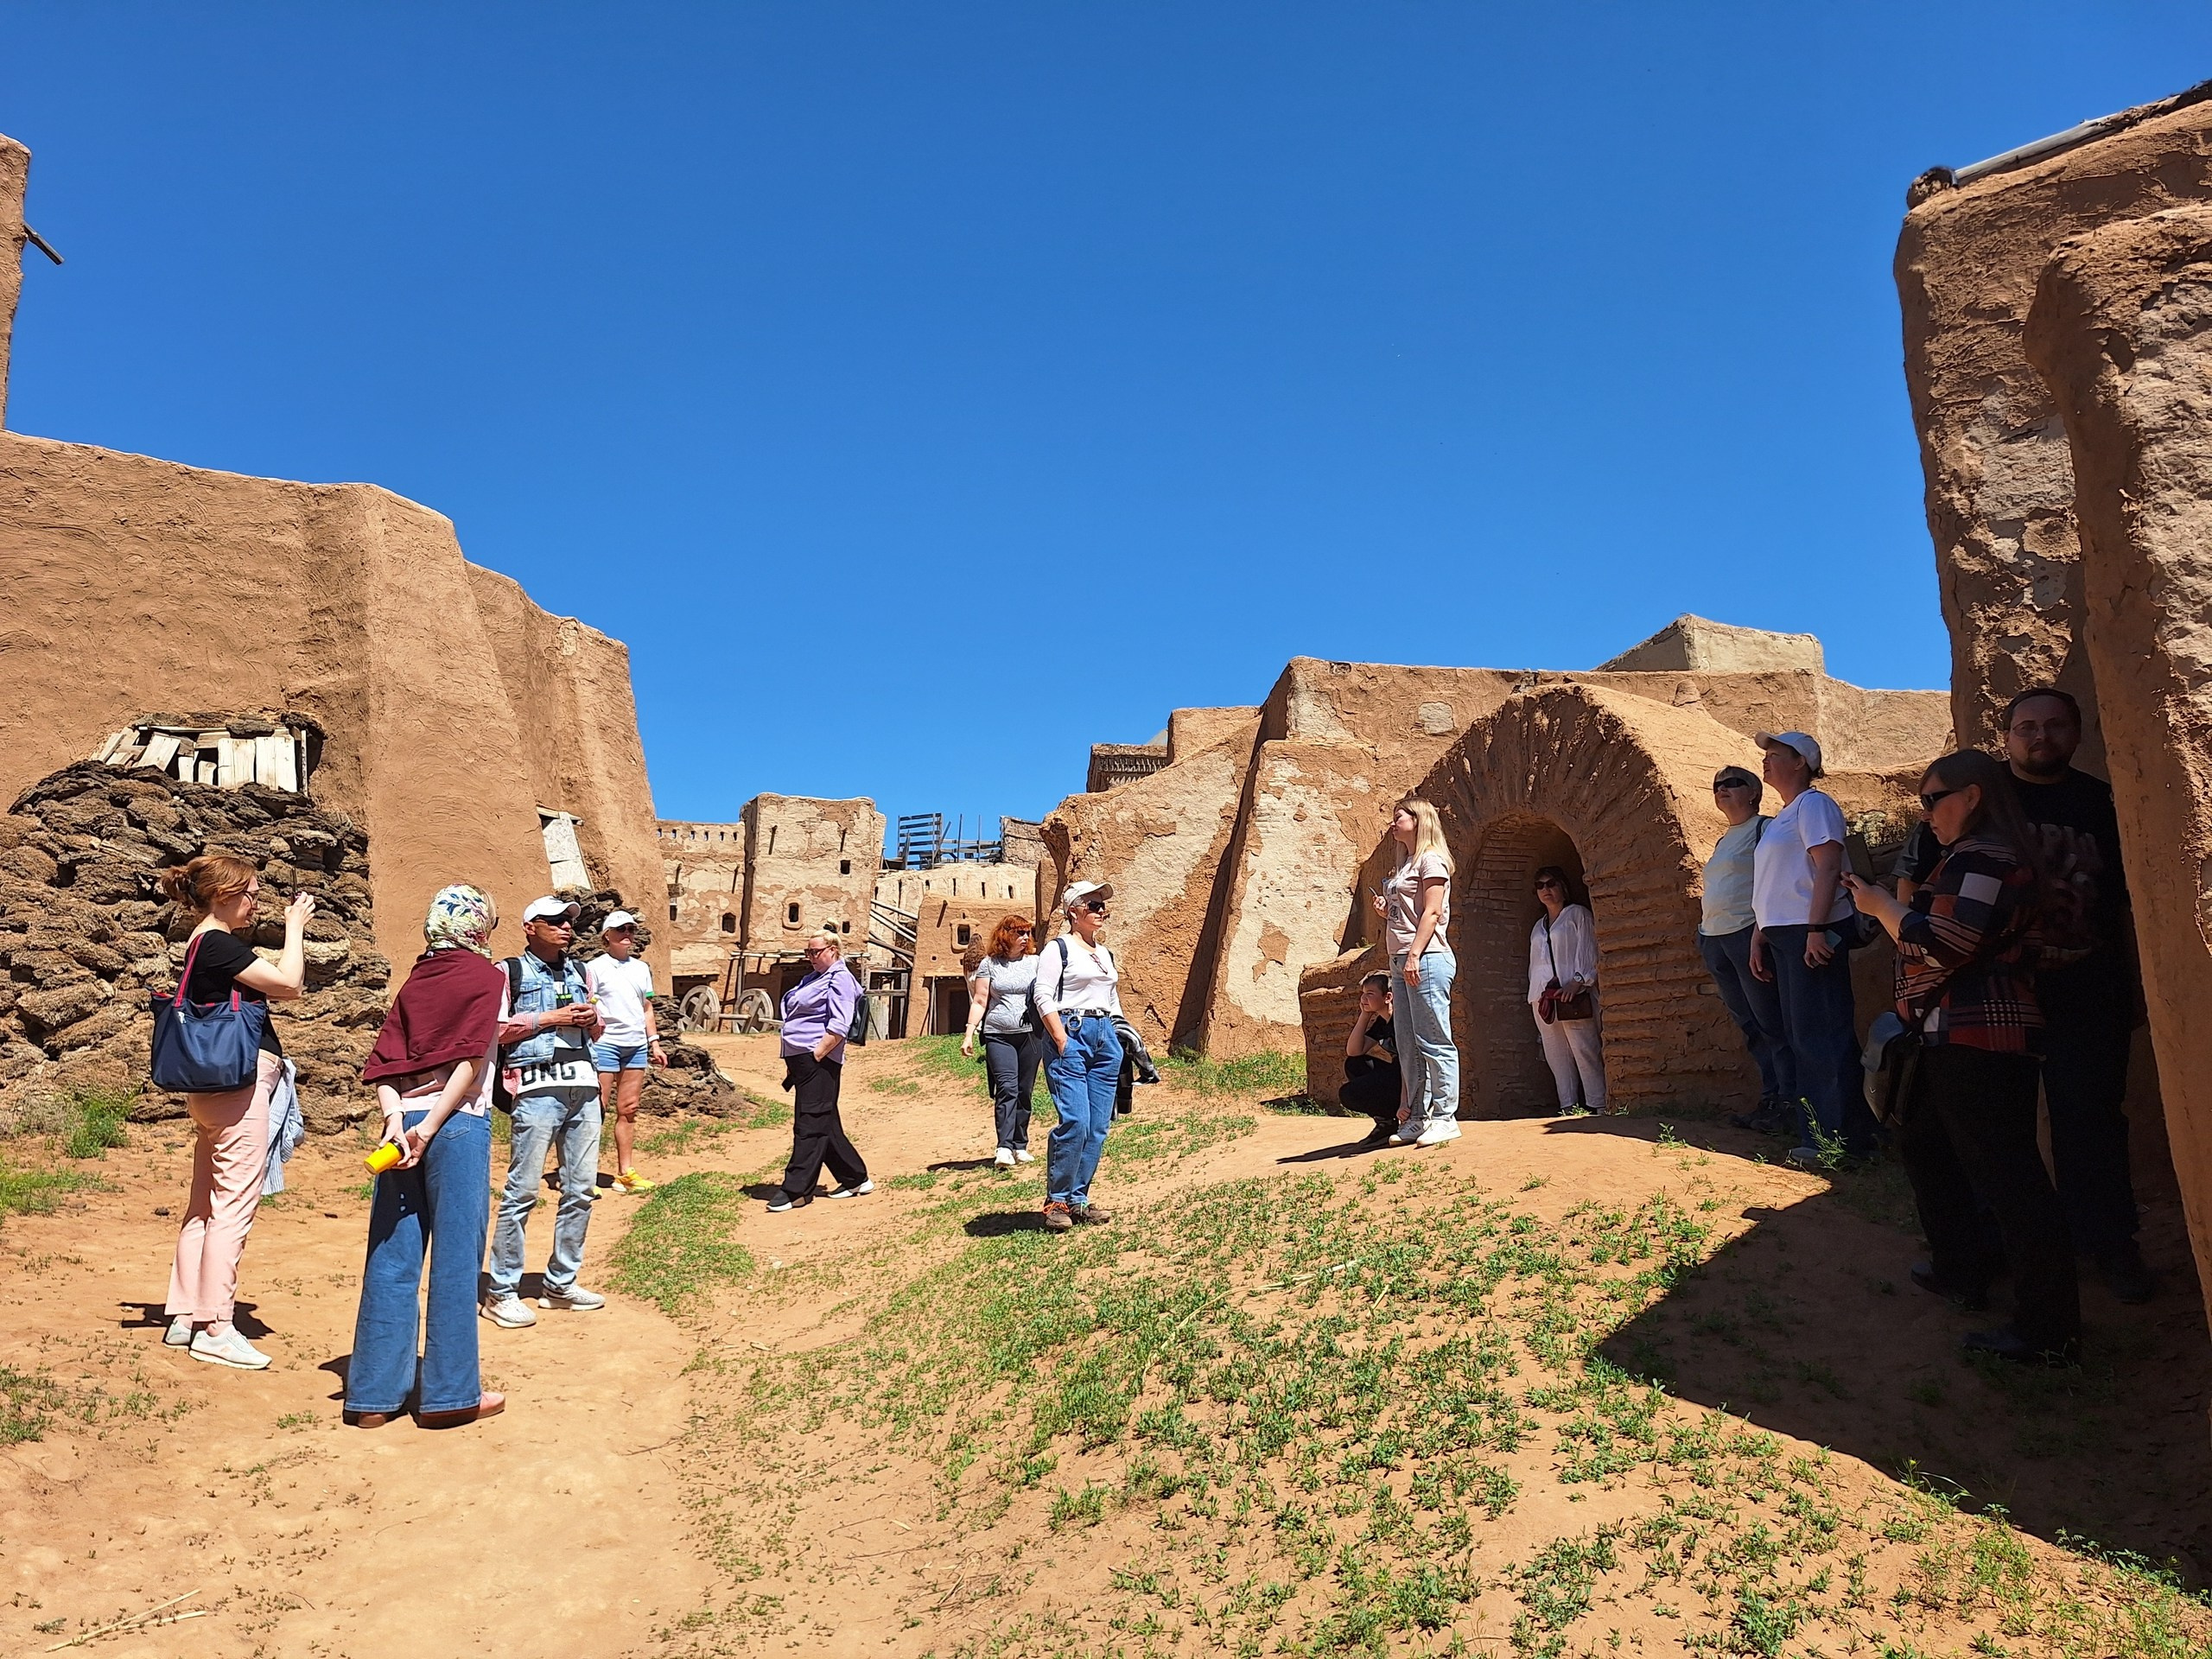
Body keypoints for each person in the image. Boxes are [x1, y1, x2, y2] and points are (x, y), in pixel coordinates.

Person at [1845, 750, 2079, 1363]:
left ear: (1972, 797)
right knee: (1927, 1146)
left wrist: (1879, 907)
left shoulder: (1986, 855)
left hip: (1982, 1034)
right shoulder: (1973, 855)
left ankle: (2048, 1330)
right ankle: (1961, 1269)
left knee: (2010, 1179)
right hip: (1953, 1032)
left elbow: (1941, 944)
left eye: (1932, 800)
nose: (1926, 816)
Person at [2000, 687, 2153, 1303]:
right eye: (2027, 727)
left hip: (2089, 986)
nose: (2041, 738)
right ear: (2006, 736)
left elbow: (2124, 903)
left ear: (2077, 733)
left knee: (2090, 1119)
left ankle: (2109, 1243)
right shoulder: (1985, 800)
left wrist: (2135, 988)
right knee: (2002, 1125)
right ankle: (2018, 1251)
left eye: (2055, 726)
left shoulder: (2100, 803)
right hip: (2001, 989)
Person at [346, 886, 508, 1428]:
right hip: (455, 1126)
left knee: (391, 1257)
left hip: (401, 1129)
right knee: (457, 1260)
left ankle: (372, 1396)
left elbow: (386, 1066)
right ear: (478, 926)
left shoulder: (415, 981)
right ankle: (451, 1396)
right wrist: (432, 1127)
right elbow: (470, 1064)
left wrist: (399, 1124)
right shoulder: (489, 978)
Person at [157, 852, 315, 1371]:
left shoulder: (200, 943)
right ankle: (216, 1326)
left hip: (210, 1088)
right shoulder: (218, 943)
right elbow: (290, 984)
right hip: (237, 1084)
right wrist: (295, 928)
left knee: (204, 1203)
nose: (255, 902)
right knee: (233, 1205)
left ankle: (185, 1314)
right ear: (224, 895)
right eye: (249, 892)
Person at [1749, 730, 1878, 1164]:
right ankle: (1830, 1137)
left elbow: (1827, 869)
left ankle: (1840, 1143)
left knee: (1823, 1036)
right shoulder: (1783, 816)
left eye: (1775, 755)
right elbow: (1776, 884)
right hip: (1786, 935)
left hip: (1812, 933)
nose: (1765, 761)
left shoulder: (1814, 805)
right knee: (1806, 1036)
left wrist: (1817, 928)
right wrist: (1760, 933)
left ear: (1800, 762)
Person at [482, 897, 607, 1328]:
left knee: (581, 1190)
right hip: (536, 1088)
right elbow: (495, 1030)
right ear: (530, 927)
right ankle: (501, 1290)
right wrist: (549, 1018)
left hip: (584, 1087)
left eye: (568, 922)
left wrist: (593, 1018)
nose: (566, 928)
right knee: (522, 1191)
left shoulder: (581, 970)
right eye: (554, 921)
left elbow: (597, 1030)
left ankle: (561, 1282)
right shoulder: (508, 972)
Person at [1699, 766, 1796, 1134]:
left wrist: (1760, 931)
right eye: (1717, 785)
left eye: (1731, 783)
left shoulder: (1765, 830)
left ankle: (1789, 1103)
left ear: (1754, 792)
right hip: (1716, 938)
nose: (1721, 789)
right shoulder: (1725, 839)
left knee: (1771, 1022)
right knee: (1750, 1024)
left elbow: (1776, 883)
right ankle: (1771, 1098)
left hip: (1747, 937)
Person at [1034, 881, 1123, 1231]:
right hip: (1070, 1033)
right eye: (1093, 905)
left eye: (1103, 906)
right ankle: (1056, 1200)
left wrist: (1122, 1035)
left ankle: (1078, 1200)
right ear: (1073, 911)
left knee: (1098, 1127)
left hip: (1105, 1038)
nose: (1101, 911)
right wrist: (1060, 1039)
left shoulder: (1105, 954)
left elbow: (1111, 999)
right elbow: (1043, 994)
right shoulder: (1059, 949)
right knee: (1076, 1122)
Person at [1372, 797, 1460, 1147]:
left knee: (1434, 1039)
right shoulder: (1406, 863)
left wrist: (1414, 955)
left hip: (1426, 958)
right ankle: (1418, 1119)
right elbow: (1409, 911)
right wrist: (1385, 909)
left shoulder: (1432, 860)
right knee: (1408, 1043)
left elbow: (1433, 912)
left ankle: (1446, 1116)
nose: (1393, 824)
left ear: (1419, 820)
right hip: (1401, 960)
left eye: (1399, 818)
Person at [767, 932, 872, 1211]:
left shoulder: (840, 978)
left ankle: (796, 1190)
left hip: (820, 1059)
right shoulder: (814, 977)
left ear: (833, 950)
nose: (810, 957)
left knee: (809, 1123)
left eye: (815, 952)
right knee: (824, 1121)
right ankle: (855, 1178)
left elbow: (840, 1023)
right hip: (803, 1057)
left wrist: (816, 1055)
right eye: (808, 952)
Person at [587, 909, 667, 1195]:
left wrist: (654, 1042)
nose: (627, 935)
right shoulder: (594, 968)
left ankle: (625, 1173)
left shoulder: (641, 969)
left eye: (631, 929)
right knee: (597, 1109)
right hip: (606, 1044)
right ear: (607, 935)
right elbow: (590, 1004)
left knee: (629, 1109)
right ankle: (584, 1176)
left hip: (635, 1046)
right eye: (621, 930)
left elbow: (646, 1008)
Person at [961, 913, 1042, 1169]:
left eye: (1027, 933)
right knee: (1007, 1088)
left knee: (1024, 1091)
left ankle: (1020, 1145)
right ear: (1005, 935)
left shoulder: (1036, 963)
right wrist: (969, 1032)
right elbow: (981, 999)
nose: (1025, 937)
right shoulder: (990, 964)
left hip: (1030, 1035)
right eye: (1019, 933)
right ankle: (1004, 1147)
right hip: (998, 1035)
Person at [1526, 866, 1608, 1114]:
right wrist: (1537, 994)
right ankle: (1568, 1106)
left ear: (1562, 885)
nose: (1546, 890)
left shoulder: (1577, 915)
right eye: (1540, 886)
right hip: (1544, 999)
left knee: (1584, 1049)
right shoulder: (1538, 926)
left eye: (1551, 884)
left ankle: (1599, 1105)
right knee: (1556, 1054)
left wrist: (1578, 981)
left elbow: (1588, 948)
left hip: (1572, 994)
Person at [1339, 971, 1404, 1147]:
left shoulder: (1401, 1020)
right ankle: (1386, 1122)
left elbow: (1411, 1064)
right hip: (1396, 1076)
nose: (1363, 998)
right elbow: (1354, 1051)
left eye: (1370, 993)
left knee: (1349, 1094)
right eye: (1363, 993)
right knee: (1354, 1064)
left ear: (1388, 997)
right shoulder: (1382, 1022)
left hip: (1409, 1079)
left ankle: (1397, 1113)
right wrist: (1365, 1016)